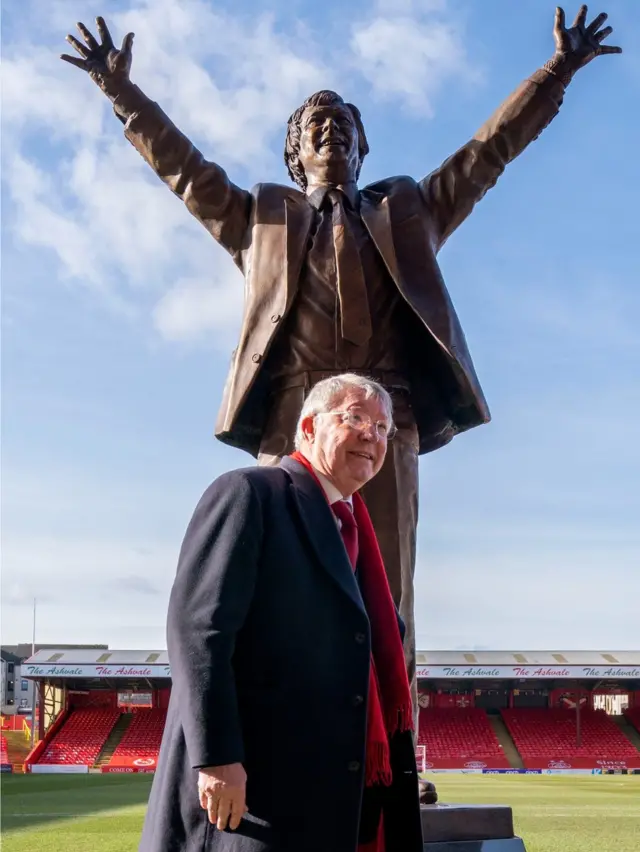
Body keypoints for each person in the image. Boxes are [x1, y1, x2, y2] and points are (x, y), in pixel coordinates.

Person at [60, 6, 621, 727]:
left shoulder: (409, 210)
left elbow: (487, 153)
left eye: (343, 129)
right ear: (295, 156)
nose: (330, 134)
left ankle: (394, 750)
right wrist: (121, 92)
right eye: (314, 129)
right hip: (294, 417)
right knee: (281, 586)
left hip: (387, 420)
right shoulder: (261, 218)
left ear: (361, 150)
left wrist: (557, 72)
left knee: (387, 596)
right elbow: (185, 170)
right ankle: (285, 745)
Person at [139, 374, 423, 852]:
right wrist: (217, 758)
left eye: (382, 427)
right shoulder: (252, 493)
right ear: (310, 426)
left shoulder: (356, 534)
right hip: (257, 797)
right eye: (355, 418)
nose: (372, 436)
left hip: (332, 798)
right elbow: (199, 630)